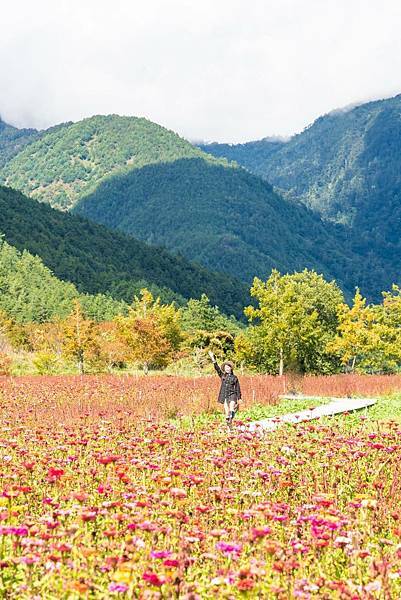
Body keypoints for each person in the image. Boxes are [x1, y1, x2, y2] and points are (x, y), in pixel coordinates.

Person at [208, 350, 242, 425]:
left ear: (231, 368)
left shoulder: (235, 377)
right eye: (226, 367)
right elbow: (217, 369)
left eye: (228, 367)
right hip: (225, 395)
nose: (227, 368)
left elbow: (237, 388)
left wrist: (239, 398)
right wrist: (213, 359)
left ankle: (232, 413)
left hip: (233, 394)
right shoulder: (223, 376)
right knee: (227, 414)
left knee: (232, 406)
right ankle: (229, 426)